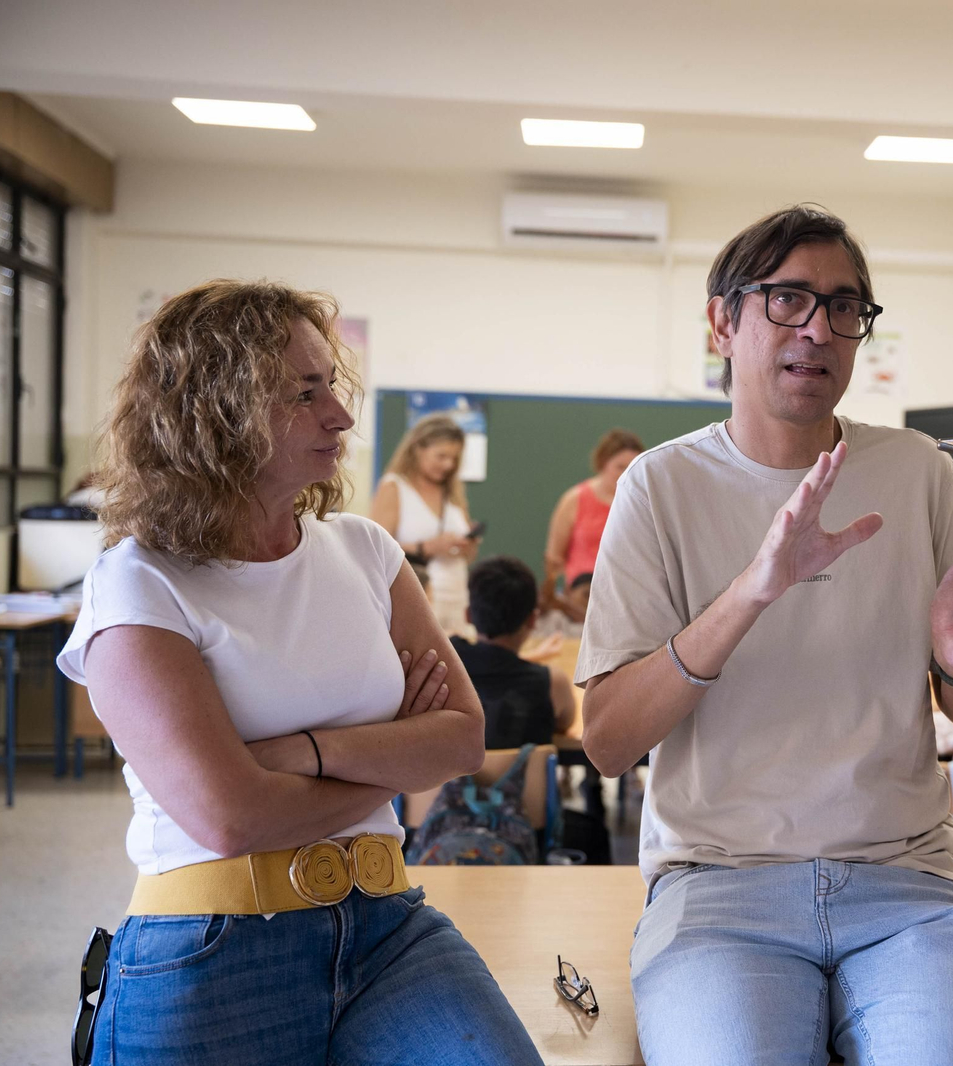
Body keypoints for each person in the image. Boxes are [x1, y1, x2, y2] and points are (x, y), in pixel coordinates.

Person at [576, 204, 953, 1065]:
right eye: (788, 299)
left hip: (906, 882)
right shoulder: (658, 488)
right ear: (722, 320)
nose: (818, 328)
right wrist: (752, 591)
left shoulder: (918, 470)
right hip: (720, 888)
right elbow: (607, 741)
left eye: (845, 307)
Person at [57, 280, 541, 1066]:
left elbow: (462, 739)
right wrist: (393, 750)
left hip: (389, 928)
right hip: (210, 941)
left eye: (332, 387)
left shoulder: (365, 552)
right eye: (304, 393)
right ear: (216, 412)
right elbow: (229, 820)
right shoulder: (139, 582)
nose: (341, 416)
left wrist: (301, 754)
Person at [453, 555, 578, 749]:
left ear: (468, 614)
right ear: (532, 620)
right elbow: (565, 724)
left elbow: (491, 662)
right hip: (522, 778)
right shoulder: (552, 683)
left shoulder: (448, 663)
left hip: (453, 779)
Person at [372, 414, 479, 636]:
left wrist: (468, 546)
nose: (448, 465)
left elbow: (468, 556)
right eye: (441, 456)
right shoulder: (394, 487)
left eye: (454, 458)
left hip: (456, 598)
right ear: (418, 448)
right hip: (417, 599)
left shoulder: (453, 492)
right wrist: (426, 547)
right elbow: (375, 549)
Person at [540, 429, 642, 615]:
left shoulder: (642, 504)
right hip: (582, 601)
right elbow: (553, 559)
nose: (626, 473)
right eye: (620, 467)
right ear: (603, 463)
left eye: (632, 467)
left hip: (627, 601)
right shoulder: (574, 499)